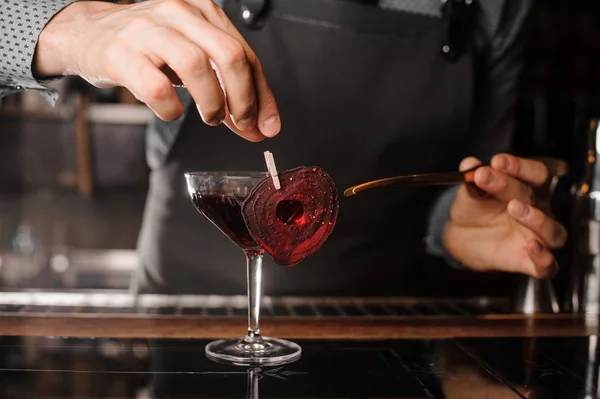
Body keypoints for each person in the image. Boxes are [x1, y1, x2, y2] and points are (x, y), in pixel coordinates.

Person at [0, 0, 567, 297]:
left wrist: (452, 223)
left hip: (373, 337)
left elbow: (464, 174)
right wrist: (67, 29)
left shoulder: (497, 5)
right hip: (183, 323)